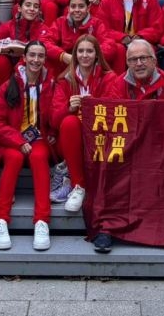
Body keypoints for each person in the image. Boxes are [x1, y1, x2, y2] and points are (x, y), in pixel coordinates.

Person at [95, 39, 164, 253]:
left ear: (154, 60)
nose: (139, 63)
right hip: (129, 148)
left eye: (144, 58)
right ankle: (108, 228)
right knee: (109, 165)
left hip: (163, 148)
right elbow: (109, 119)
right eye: (133, 59)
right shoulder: (118, 84)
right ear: (127, 63)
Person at [0, 41, 56, 251]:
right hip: (11, 140)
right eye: (32, 55)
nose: (36, 60)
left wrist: (52, 133)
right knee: (15, 158)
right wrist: (19, 140)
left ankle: (42, 221)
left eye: (40, 56)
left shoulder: (50, 84)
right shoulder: (10, 85)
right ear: (24, 58)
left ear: (45, 60)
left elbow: (55, 114)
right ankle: (0, 219)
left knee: (39, 157)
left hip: (38, 139)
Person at [51, 35, 119, 212]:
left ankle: (93, 183)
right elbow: (54, 120)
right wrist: (69, 108)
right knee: (69, 122)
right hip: (70, 140)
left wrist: (95, 105)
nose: (85, 55)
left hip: (100, 136)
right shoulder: (64, 79)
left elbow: (115, 111)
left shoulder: (109, 78)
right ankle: (78, 186)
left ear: (97, 55)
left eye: (90, 51)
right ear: (75, 55)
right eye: (80, 51)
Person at [96, 0, 163, 73]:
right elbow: (102, 29)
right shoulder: (108, 1)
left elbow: (157, 28)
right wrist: (121, 38)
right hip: (118, 44)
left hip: (142, 41)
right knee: (118, 49)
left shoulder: (150, 0)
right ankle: (117, 84)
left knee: (146, 49)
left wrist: (140, 36)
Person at [40, 0, 116, 73]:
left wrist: (90, 55)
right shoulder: (60, 22)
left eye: (81, 6)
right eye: (73, 6)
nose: (77, 10)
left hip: (90, 67)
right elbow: (44, 41)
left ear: (88, 8)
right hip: (65, 67)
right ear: (68, 9)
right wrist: (62, 55)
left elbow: (109, 45)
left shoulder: (97, 24)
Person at [0, 0, 47, 91]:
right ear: (19, 8)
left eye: (36, 6)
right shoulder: (5, 28)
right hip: (7, 74)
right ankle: (5, 97)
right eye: (28, 5)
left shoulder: (44, 30)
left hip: (33, 69)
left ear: (39, 11)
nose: (32, 9)